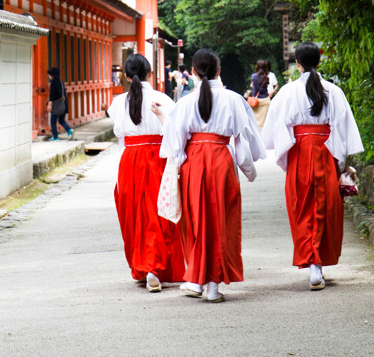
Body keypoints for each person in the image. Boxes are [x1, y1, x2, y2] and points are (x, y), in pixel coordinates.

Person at [160, 48, 266, 303]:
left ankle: (196, 279)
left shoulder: (185, 102)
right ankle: (213, 287)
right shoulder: (233, 99)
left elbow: (175, 145)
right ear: (219, 70)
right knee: (221, 222)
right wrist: (249, 171)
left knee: (195, 224)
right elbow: (243, 141)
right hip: (221, 161)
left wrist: (186, 164)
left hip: (193, 164)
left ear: (194, 73)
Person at [264, 42, 364, 290]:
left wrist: (287, 156)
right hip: (327, 151)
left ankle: (313, 266)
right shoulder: (333, 91)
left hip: (299, 153)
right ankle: (317, 265)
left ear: (296, 64)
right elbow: (342, 131)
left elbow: (276, 132)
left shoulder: (287, 93)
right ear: (319, 61)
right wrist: (341, 164)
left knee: (302, 208)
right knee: (324, 208)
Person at [107, 54, 185, 292]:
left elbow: (121, 137)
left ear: (126, 76)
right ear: (151, 73)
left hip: (130, 159)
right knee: (158, 212)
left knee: (134, 214)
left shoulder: (119, 102)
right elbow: (173, 131)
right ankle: (155, 266)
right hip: (156, 158)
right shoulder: (161, 99)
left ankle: (144, 266)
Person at [47, 67, 73, 141]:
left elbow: (52, 96)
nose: (49, 76)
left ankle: (55, 137)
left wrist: (49, 105)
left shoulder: (53, 83)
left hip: (56, 106)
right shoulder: (61, 82)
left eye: (49, 74)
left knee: (52, 121)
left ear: (52, 75)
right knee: (61, 120)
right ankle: (69, 130)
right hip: (63, 105)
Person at [247, 59, 273, 128]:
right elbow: (266, 87)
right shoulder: (266, 78)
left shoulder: (253, 76)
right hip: (265, 100)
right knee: (264, 121)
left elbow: (252, 85)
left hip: (256, 101)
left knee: (255, 121)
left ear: (257, 67)